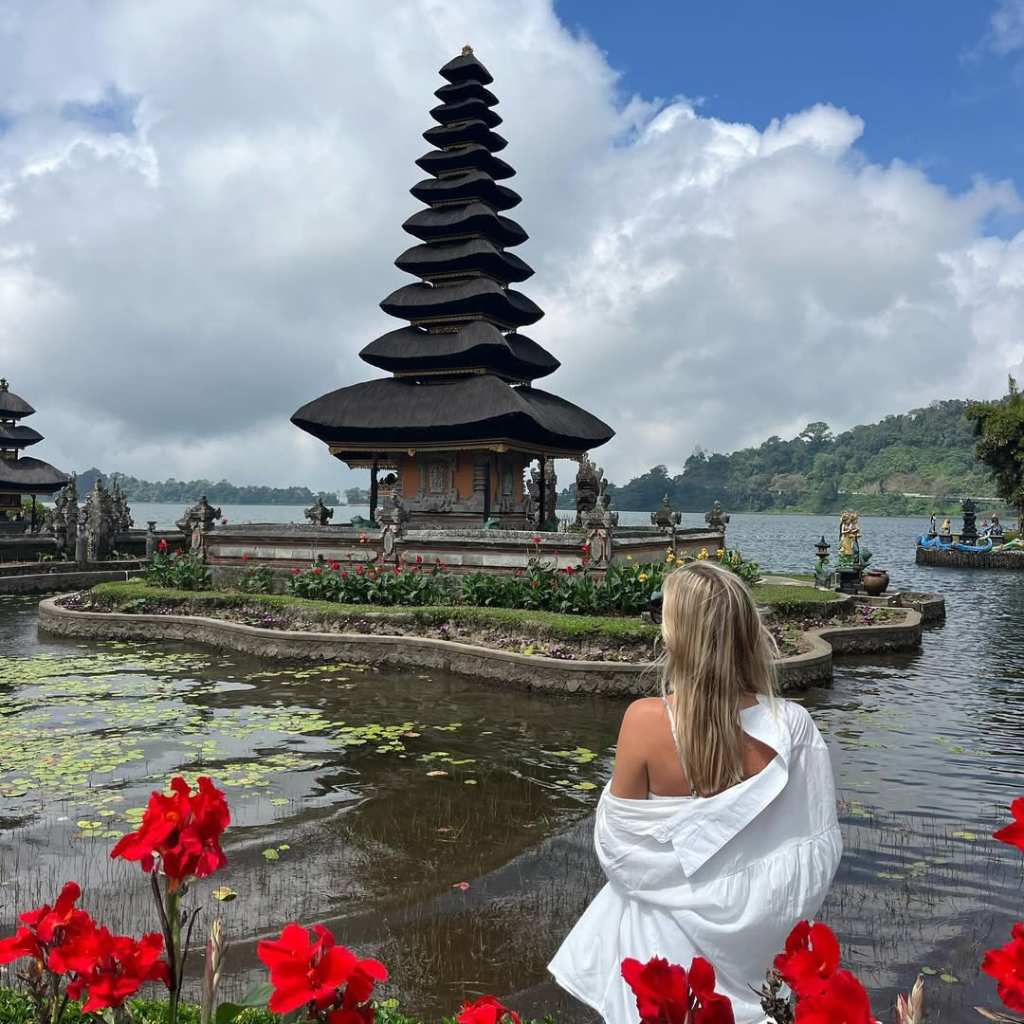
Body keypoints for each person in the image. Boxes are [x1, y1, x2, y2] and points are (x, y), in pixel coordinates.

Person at [549, 562, 842, 1024]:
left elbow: (618, 850)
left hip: (655, 957)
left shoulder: (645, 722)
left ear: (675, 637)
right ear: (748, 633)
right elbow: (814, 852)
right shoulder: (792, 729)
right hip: (748, 965)